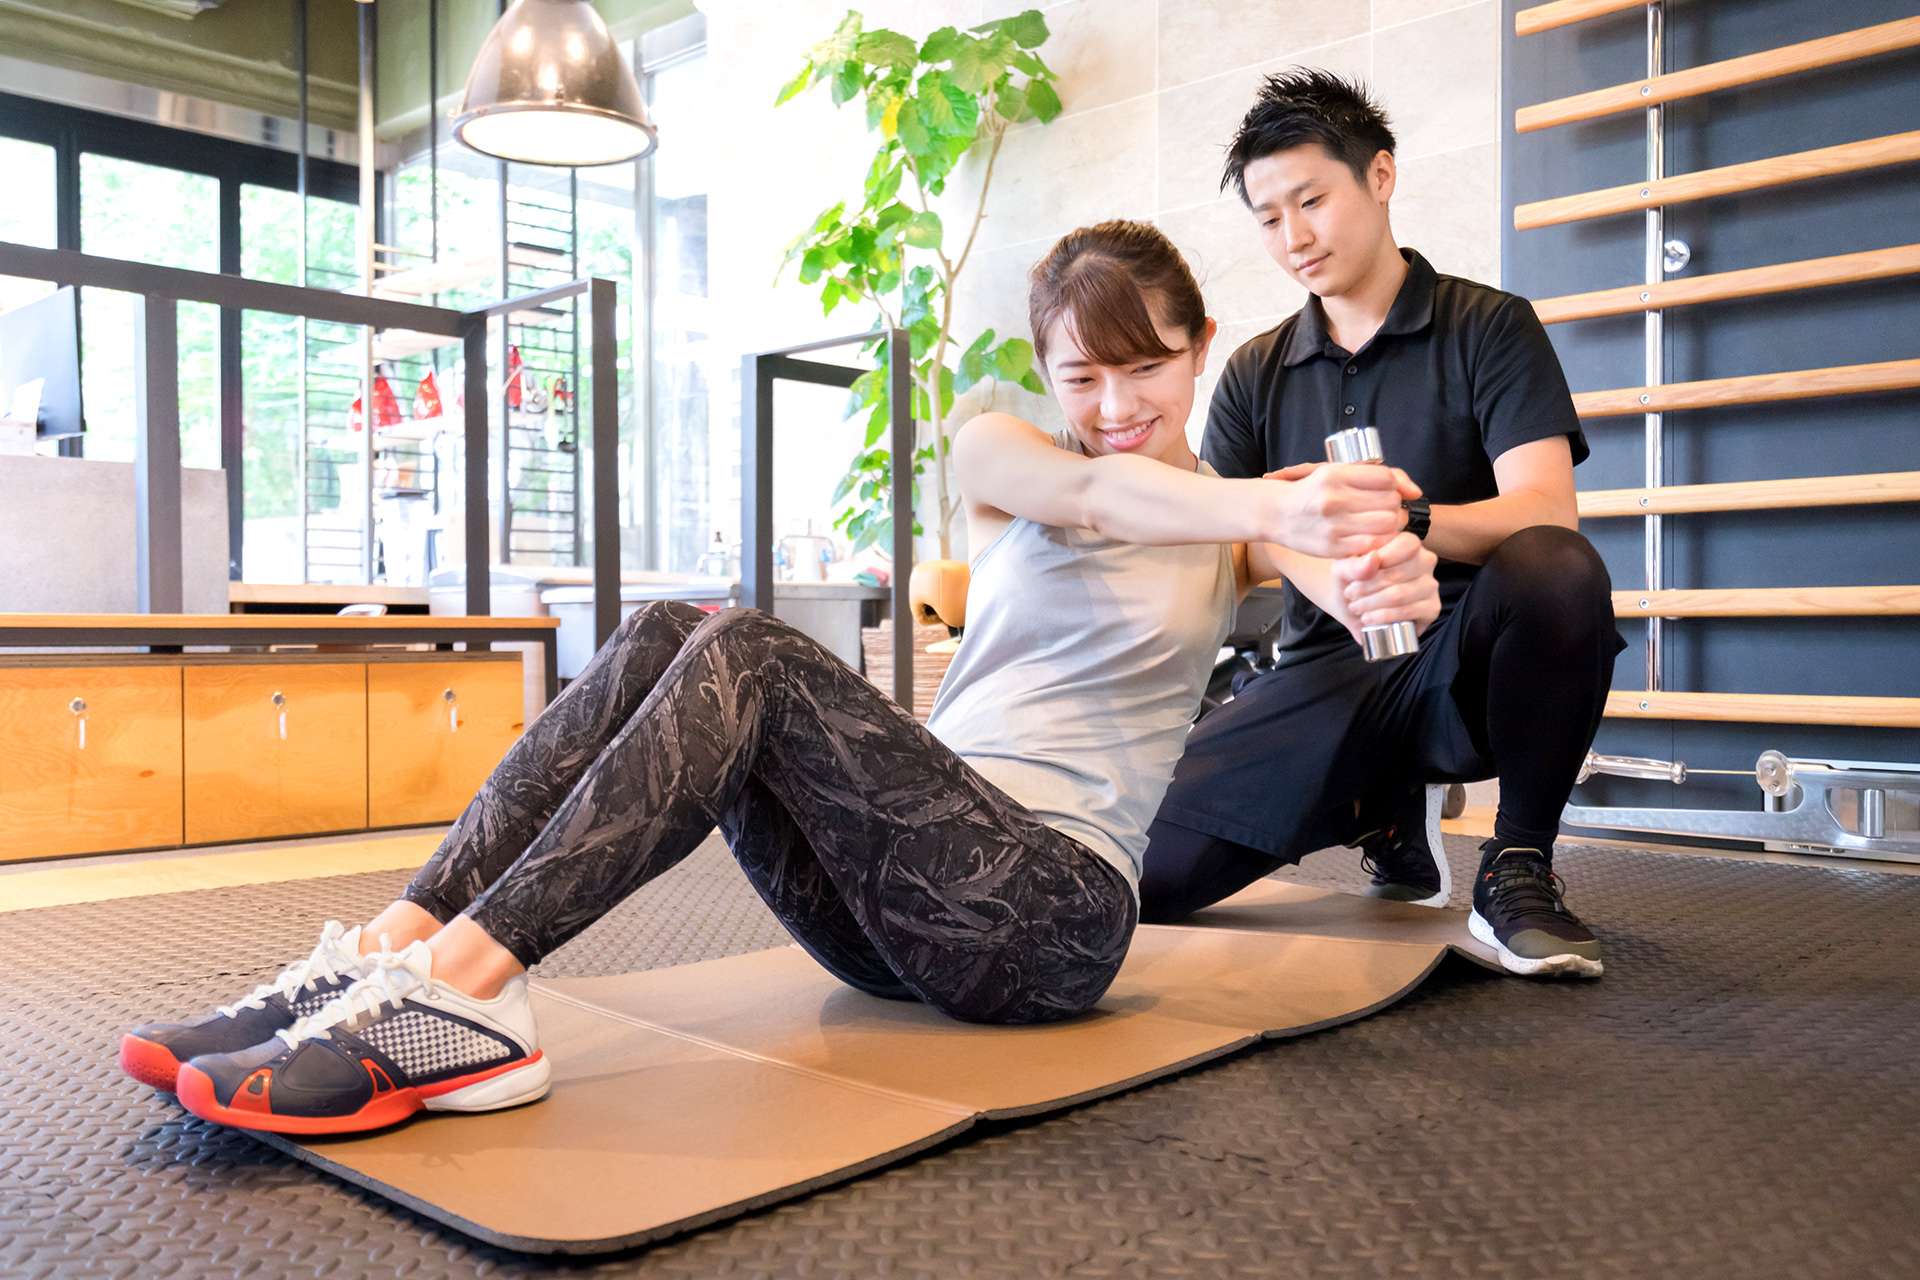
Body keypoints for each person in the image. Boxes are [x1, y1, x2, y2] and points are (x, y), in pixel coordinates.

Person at [118, 219, 1440, 1136]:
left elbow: (1344, 583)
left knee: (744, 643)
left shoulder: (1241, 524)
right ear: (1044, 372)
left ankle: (463, 995)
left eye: (1145, 367)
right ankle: (391, 954)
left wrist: (1378, 572)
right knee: (666, 628)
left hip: (1049, 921)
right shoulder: (1007, 456)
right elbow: (1096, 491)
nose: (1113, 404)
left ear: (1201, 344)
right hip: (891, 909)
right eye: (1081, 374)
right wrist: (1267, 504)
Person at [1136, 69, 1627, 978]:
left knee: (1558, 568)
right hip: (1326, 670)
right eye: (1268, 217)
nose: (1293, 237)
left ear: (1381, 176)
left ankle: (1517, 863)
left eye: (1311, 201)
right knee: (1144, 879)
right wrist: (1321, 561)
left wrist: (1409, 517)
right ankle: (1380, 806)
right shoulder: (1254, 372)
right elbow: (1231, 541)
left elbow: (1545, 510)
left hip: (1460, 666)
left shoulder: (1490, 326)